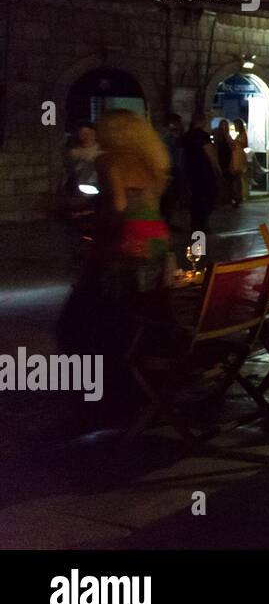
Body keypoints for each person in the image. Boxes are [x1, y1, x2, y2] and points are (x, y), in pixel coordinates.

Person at [57, 110, 172, 404]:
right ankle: (140, 374)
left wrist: (86, 212)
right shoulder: (152, 163)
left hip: (126, 242)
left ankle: (102, 380)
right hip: (156, 238)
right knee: (140, 306)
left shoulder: (108, 161)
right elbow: (149, 205)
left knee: (89, 310)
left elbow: (118, 206)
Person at [179, 112, 220, 234]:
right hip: (204, 171)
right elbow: (210, 154)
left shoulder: (186, 136)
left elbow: (182, 154)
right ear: (202, 121)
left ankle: (195, 223)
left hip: (191, 170)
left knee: (195, 198)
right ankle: (202, 223)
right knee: (207, 197)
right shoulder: (203, 136)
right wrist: (217, 168)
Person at [65, 122, 101, 193]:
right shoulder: (73, 153)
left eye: (89, 133)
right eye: (82, 133)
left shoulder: (101, 151)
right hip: (79, 187)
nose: (86, 136)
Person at [229, 118, 249, 205]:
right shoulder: (240, 134)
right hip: (236, 155)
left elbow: (244, 144)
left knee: (237, 176)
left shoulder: (243, 134)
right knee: (237, 177)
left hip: (239, 156)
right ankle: (238, 196)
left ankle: (238, 196)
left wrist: (235, 142)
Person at [215, 119, 234, 204]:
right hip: (221, 157)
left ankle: (227, 198)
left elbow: (231, 147)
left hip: (226, 158)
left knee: (227, 179)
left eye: (225, 125)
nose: (224, 126)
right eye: (223, 125)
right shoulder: (219, 135)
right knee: (222, 179)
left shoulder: (228, 136)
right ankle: (223, 198)